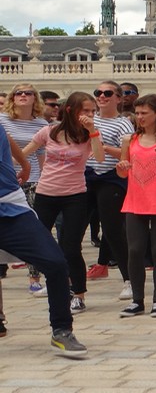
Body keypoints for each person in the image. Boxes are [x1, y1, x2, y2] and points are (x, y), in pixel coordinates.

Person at [0, 123, 87, 356]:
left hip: (12, 209)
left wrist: (25, 162)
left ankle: (62, 331)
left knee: (56, 263)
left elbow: (6, 137)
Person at [22, 92, 105, 314]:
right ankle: (54, 283)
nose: (89, 115)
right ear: (70, 110)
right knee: (41, 241)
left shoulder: (90, 135)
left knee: (70, 247)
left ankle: (78, 294)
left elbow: (99, 158)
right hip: (46, 193)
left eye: (92, 111)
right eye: (85, 110)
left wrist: (93, 131)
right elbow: (24, 153)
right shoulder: (49, 131)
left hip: (75, 195)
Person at [116, 94, 156, 317]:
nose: (140, 117)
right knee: (134, 250)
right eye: (138, 113)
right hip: (135, 201)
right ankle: (137, 300)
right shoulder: (130, 139)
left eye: (145, 112)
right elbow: (123, 172)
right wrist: (122, 166)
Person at [83, 81, 135, 302]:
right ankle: (70, 280)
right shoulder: (86, 121)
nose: (102, 96)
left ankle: (129, 280)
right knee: (71, 231)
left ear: (118, 98)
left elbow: (129, 155)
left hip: (111, 179)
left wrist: (102, 147)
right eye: (98, 93)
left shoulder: (123, 125)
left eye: (107, 93)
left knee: (113, 230)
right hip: (85, 176)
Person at [0, 83, 52, 294]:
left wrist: (43, 178)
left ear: (34, 98)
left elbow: (41, 155)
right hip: (8, 180)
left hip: (33, 180)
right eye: (18, 93)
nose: (23, 96)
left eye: (27, 93)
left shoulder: (40, 123)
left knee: (34, 228)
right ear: (12, 98)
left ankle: (34, 277)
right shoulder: (2, 120)